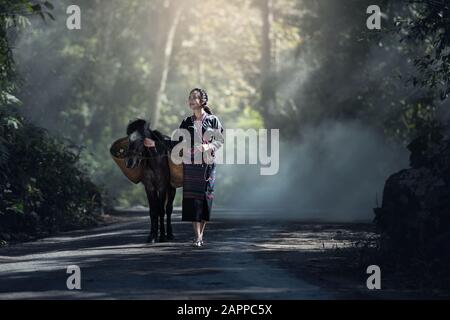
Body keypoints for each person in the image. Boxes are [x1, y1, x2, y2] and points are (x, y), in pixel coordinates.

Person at [144, 88, 224, 247]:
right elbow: (176, 143)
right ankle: (198, 237)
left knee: (205, 200)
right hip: (190, 164)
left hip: (208, 165)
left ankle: (200, 235)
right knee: (193, 200)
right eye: (190, 98)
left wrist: (207, 147)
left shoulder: (213, 120)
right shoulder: (186, 122)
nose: (191, 100)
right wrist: (156, 143)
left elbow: (220, 140)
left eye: (195, 97)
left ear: (203, 101)